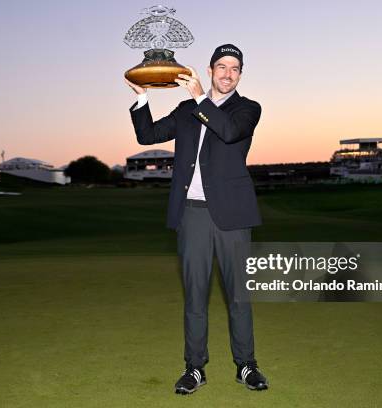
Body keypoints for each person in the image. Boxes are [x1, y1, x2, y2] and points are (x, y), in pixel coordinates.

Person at [126, 44, 268, 394]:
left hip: (233, 215)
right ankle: (195, 368)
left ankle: (246, 365)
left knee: (238, 296)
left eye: (235, 68)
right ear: (209, 70)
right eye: (221, 66)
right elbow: (148, 135)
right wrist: (142, 98)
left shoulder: (247, 109)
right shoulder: (188, 109)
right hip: (192, 215)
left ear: (240, 74)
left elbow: (229, 133)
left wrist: (202, 99)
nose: (227, 73)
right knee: (195, 296)